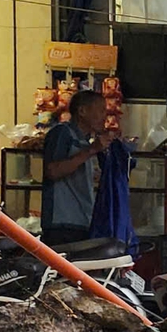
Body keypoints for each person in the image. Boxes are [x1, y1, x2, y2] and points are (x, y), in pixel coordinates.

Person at [41, 90, 115, 246]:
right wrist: (92, 150)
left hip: (82, 221)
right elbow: (53, 171)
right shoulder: (62, 133)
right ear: (82, 111)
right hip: (61, 225)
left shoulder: (86, 141)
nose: (105, 116)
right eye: (101, 110)